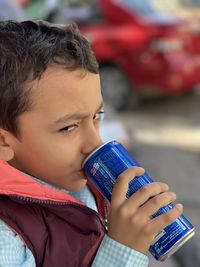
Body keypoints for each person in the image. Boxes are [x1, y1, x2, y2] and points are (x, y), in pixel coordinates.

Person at [0, 20, 183, 267]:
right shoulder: (6, 239)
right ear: (3, 141)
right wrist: (122, 250)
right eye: (68, 127)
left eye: (97, 116)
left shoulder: (69, 177)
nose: (95, 142)